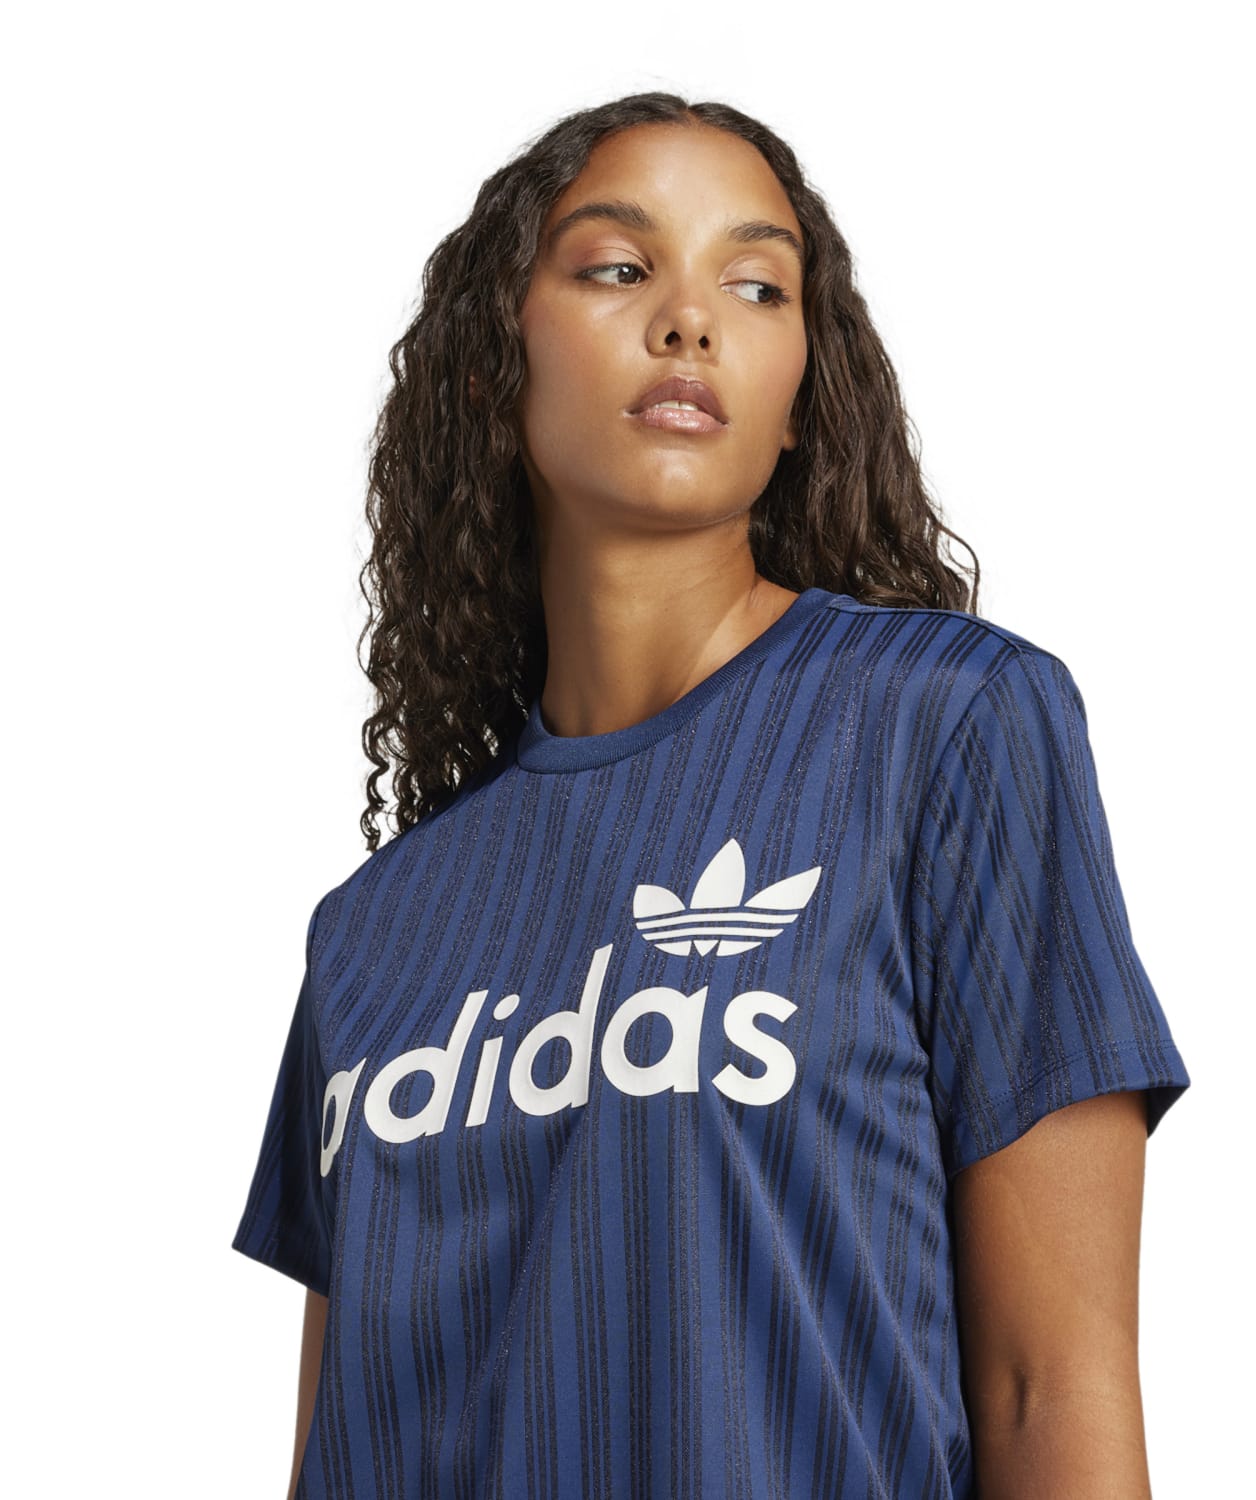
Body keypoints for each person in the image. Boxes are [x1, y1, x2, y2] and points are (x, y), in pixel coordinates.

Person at [231, 91, 1192, 1500]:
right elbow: (335, 1448)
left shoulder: (949, 726)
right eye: (620, 267)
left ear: (801, 396)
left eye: (755, 286)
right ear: (494, 364)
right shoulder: (372, 932)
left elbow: (1050, 1385)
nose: (690, 320)